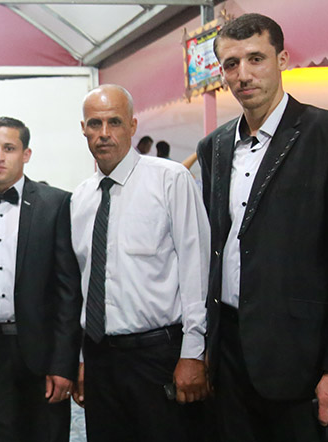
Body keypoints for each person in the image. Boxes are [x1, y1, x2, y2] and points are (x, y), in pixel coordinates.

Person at [196, 13, 328, 441]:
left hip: (305, 358)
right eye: (231, 64)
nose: (243, 74)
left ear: (282, 59)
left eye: (255, 58)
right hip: (229, 354)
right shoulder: (215, 147)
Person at [70, 84, 210, 442]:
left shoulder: (170, 180)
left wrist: (194, 353)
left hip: (158, 356)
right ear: (83, 129)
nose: (104, 133)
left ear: (132, 126)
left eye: (114, 122)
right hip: (100, 359)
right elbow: (84, 284)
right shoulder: (81, 198)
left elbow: (197, 269)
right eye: (95, 124)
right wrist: (84, 359)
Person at [0, 117, 81, 442]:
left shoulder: (56, 204)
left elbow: (68, 292)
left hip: (42, 351)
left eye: (9, 148)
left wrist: (63, 363)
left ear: (26, 154)